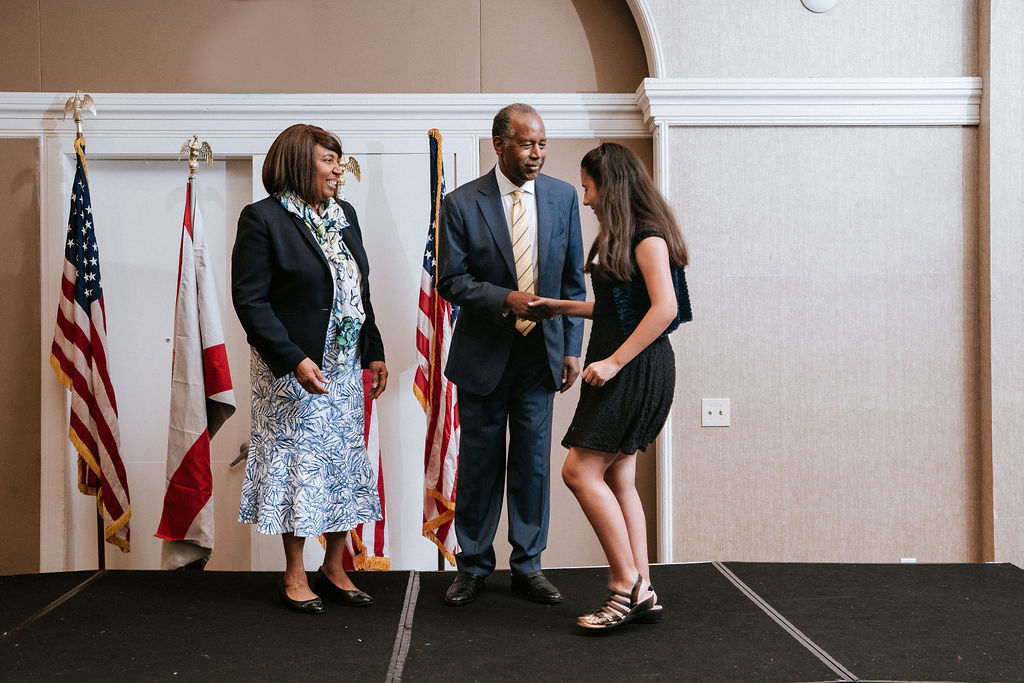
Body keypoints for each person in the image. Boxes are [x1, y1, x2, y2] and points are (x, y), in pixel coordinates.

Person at [529, 142, 691, 630]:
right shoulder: (632, 235)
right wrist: (561, 307)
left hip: (634, 369)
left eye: (588, 187)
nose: (585, 199)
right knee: (618, 477)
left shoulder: (648, 237)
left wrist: (615, 362)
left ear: (610, 186)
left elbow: (665, 310)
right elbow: (624, 308)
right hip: (630, 365)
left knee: (578, 471)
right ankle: (644, 588)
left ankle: (626, 585)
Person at [231, 124, 388, 614]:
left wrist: (375, 349)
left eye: (338, 160)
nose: (338, 169)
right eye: (328, 160)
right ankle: (295, 574)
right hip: (291, 370)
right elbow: (251, 301)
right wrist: (294, 359)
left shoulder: (345, 215)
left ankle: (334, 568)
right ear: (300, 163)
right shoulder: (263, 219)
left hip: (344, 367)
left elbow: (357, 291)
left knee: (342, 465)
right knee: (302, 469)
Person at [436, 103, 586, 606]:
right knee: (480, 463)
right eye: (526, 144)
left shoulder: (563, 197)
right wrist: (506, 299)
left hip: (541, 356)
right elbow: (451, 280)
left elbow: (571, 280)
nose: (537, 153)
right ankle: (474, 566)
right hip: (483, 355)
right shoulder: (460, 203)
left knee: (533, 464)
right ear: (499, 144)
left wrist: (572, 349)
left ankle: (528, 565)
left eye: (542, 144)